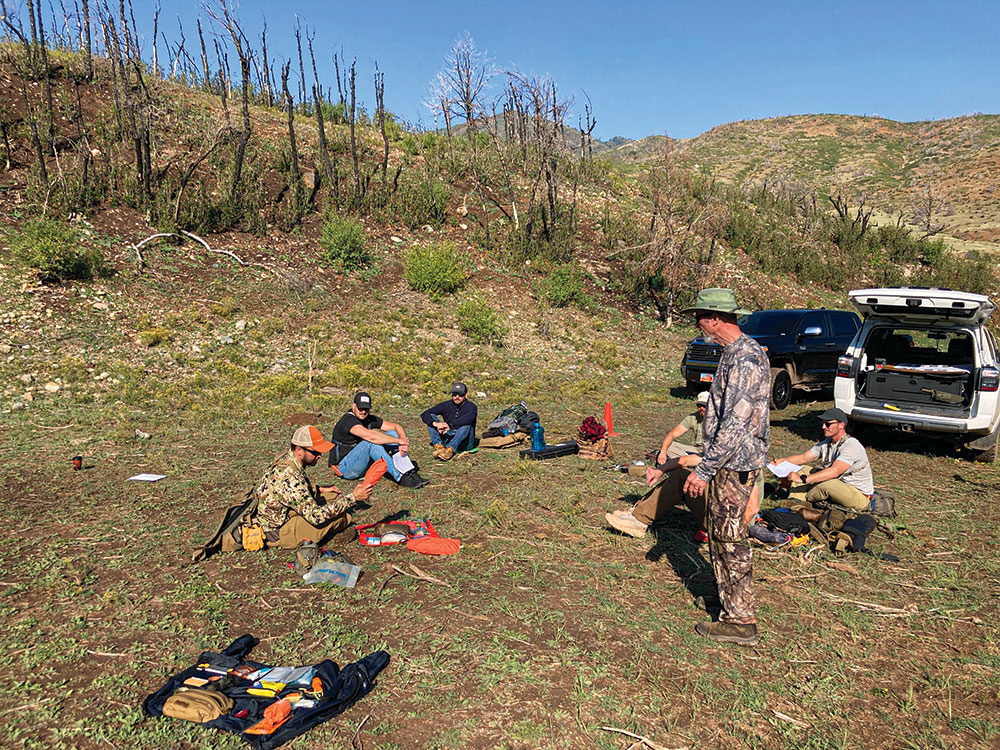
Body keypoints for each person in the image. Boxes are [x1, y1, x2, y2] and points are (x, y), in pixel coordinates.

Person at [680, 288, 770, 646]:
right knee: (722, 533)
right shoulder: (737, 353)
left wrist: (704, 469)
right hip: (730, 461)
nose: (698, 324)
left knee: (730, 537)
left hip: (734, 464)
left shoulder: (745, 358)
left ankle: (740, 619)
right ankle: (731, 602)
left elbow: (738, 420)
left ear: (715, 319)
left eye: (699, 317)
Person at [253, 425, 372, 549]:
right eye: (315, 452)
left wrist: (318, 489)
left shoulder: (287, 459)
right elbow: (316, 517)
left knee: (332, 497)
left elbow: (288, 491)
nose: (319, 456)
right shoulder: (290, 476)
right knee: (343, 518)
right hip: (276, 531)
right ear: (299, 450)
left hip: (281, 514)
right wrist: (353, 498)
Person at [770, 407, 874, 511]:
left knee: (826, 485)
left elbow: (834, 471)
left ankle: (803, 500)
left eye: (828, 424)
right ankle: (795, 501)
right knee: (801, 469)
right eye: (823, 423)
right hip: (838, 484)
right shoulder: (827, 443)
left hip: (858, 496)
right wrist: (782, 461)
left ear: (841, 425)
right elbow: (803, 458)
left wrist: (802, 479)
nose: (824, 427)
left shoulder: (851, 445)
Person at [329, 392, 429, 489]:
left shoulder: (368, 418)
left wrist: (402, 440)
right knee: (370, 443)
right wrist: (398, 441)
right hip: (345, 468)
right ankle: (400, 476)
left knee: (393, 433)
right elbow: (372, 437)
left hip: (362, 462)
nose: (364, 412)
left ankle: (408, 470)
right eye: (361, 408)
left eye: (366, 409)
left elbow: (396, 426)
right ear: (353, 406)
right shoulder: (348, 420)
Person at [421, 382, 478, 461]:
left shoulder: (471, 406)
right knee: (431, 418)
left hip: (465, 441)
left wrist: (450, 425)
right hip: (448, 437)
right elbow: (425, 414)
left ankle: (450, 449)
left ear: (466, 395)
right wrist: (436, 424)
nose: (457, 397)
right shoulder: (446, 405)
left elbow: (470, 417)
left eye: (460, 395)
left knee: (467, 424)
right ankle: (439, 447)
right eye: (455, 394)